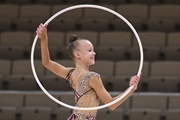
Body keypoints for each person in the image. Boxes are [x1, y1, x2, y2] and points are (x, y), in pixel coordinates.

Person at [36, 23, 141, 120]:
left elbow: (46, 63)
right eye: (90, 50)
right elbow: (111, 104)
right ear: (78, 54)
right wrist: (131, 89)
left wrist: (44, 39)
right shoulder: (92, 77)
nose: (94, 53)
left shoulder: (70, 74)